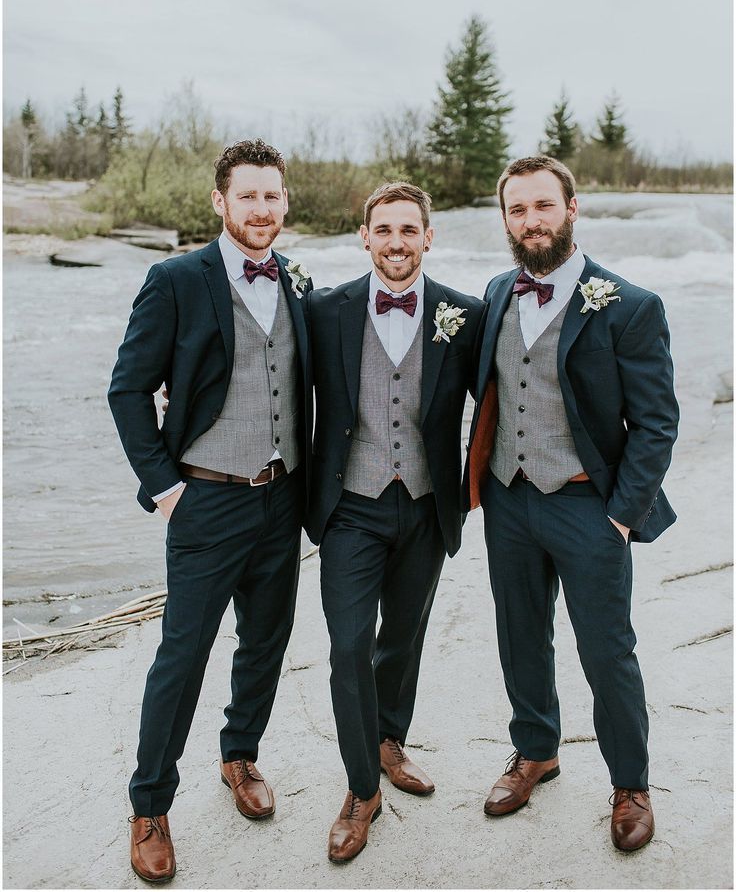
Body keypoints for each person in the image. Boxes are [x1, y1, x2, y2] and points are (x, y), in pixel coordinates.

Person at [108, 139, 312, 883]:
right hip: (205, 500)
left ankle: (240, 754)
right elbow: (128, 389)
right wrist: (165, 487)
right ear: (219, 202)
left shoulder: (294, 279)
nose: (262, 208)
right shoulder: (174, 280)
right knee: (182, 656)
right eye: (247, 195)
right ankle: (151, 803)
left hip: (283, 497)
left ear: (287, 201)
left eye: (273, 194)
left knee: (265, 641)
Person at [464, 154, 679, 852]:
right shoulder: (495, 293)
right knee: (519, 633)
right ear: (505, 218)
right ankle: (537, 750)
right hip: (508, 499)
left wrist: (620, 514)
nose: (531, 220)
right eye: (517, 209)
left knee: (607, 648)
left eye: (543, 206)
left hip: (590, 505)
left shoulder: (630, 305)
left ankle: (630, 783)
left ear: (572, 208)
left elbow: (656, 422)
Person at [306, 182, 486, 863]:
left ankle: (389, 738)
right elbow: (273, 377)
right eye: (384, 229)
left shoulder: (463, 315)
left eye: (409, 229)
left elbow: (507, 393)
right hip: (350, 504)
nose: (397, 242)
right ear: (364, 236)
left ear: (429, 237)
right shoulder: (324, 310)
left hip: (426, 502)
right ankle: (361, 789)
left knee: (402, 636)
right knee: (350, 643)